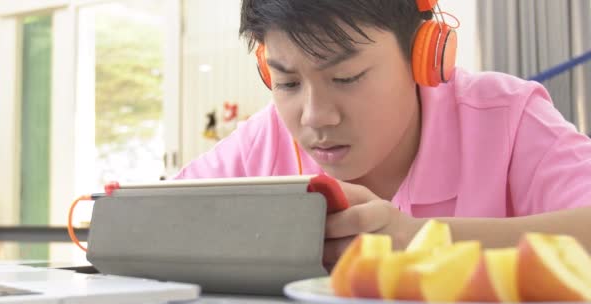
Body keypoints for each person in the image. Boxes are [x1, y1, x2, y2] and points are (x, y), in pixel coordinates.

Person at [174, 0, 591, 270]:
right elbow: (142, 224)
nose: (317, 117)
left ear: (425, 58)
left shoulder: (507, 118)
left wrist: (423, 240)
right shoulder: (263, 141)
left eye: (347, 77)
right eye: (287, 84)